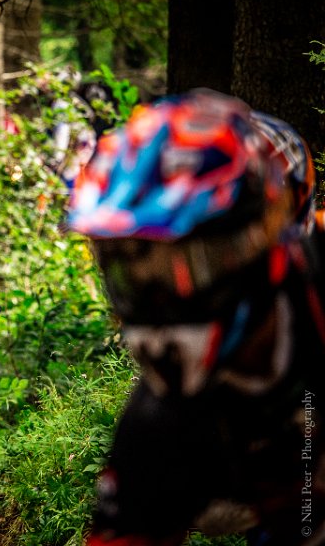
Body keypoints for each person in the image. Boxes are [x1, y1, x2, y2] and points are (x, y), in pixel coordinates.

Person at [67, 89, 325, 545]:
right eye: (130, 272)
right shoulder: (161, 419)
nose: (158, 301)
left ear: (260, 238)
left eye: (193, 265)